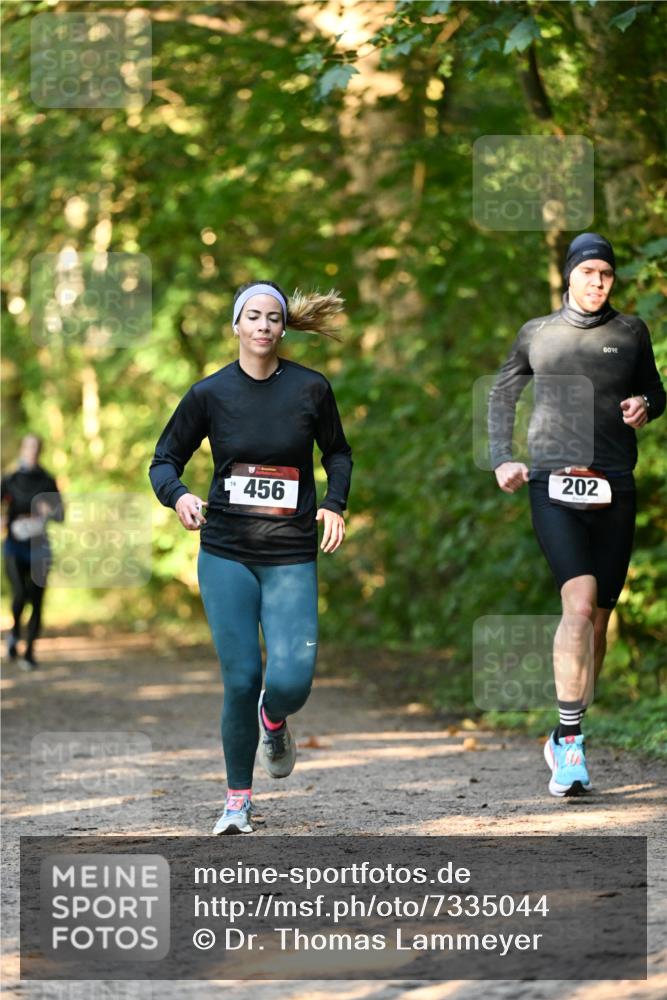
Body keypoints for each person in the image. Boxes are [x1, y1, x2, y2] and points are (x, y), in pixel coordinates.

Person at [149, 280, 352, 833]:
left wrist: (334, 504)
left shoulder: (311, 389)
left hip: (290, 554)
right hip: (226, 554)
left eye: (273, 318)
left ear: (284, 328)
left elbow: (337, 453)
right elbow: (163, 461)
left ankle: (275, 717)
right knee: (241, 679)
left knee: (293, 679)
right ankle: (238, 800)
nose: (263, 326)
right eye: (253, 316)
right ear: (236, 326)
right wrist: (181, 496)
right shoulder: (209, 394)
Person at [488, 233, 665, 797]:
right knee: (579, 601)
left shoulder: (630, 332)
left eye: (606, 275)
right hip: (553, 485)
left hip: (614, 485)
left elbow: (655, 393)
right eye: (588, 272)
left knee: (598, 622)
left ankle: (567, 728)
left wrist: (646, 406)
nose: (597, 282)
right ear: (569, 275)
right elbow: (501, 395)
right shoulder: (538, 334)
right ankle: (568, 743)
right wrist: (503, 459)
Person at [1, 433, 64, 670]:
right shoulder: (10, 479)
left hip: (39, 547)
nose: (32, 451)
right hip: (14, 545)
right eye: (28, 447)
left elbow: (61, 515)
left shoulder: (47, 480)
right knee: (20, 594)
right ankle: (15, 632)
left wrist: (51, 509)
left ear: (40, 451)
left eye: (36, 448)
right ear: (21, 449)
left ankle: (29, 653)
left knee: (37, 600)